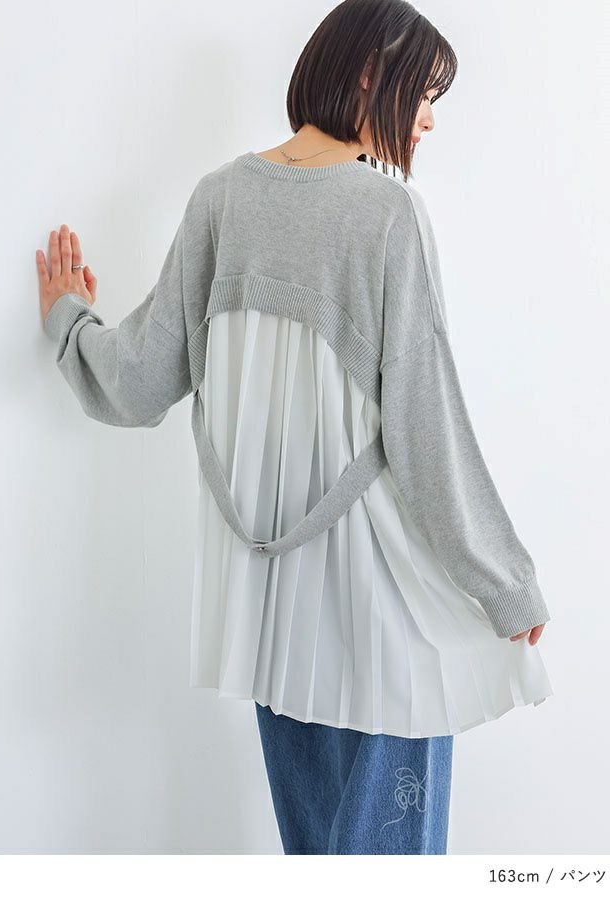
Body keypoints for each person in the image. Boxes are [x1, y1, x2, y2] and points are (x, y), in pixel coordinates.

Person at [37, 0, 553, 855]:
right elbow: (427, 422)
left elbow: (136, 383)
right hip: (381, 621)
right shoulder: (388, 215)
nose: (429, 119)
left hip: (276, 628)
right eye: (425, 93)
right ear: (368, 73)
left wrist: (69, 320)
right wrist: (504, 579)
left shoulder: (219, 200)